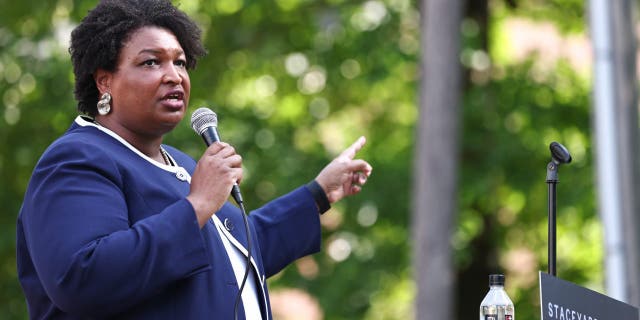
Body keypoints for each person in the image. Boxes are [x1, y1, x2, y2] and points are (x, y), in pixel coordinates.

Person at [15, 0, 372, 319]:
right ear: (104, 81)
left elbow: (240, 253)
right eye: (151, 62)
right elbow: (81, 277)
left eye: (181, 62)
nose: (174, 76)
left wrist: (319, 194)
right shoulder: (77, 158)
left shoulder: (182, 165)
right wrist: (199, 203)